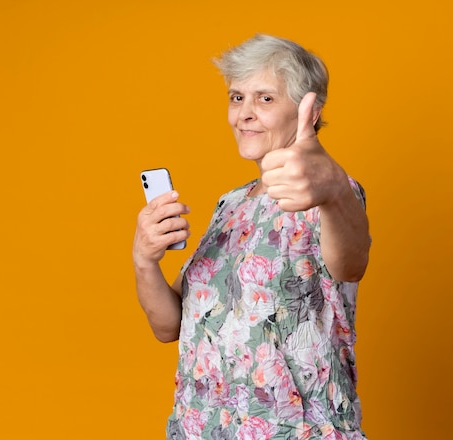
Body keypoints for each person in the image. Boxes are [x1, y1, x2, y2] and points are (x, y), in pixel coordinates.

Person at [133, 34, 371, 440]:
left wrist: (331, 188)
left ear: (307, 112)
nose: (243, 113)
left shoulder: (332, 193)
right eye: (236, 97)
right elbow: (169, 325)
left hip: (295, 431)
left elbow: (351, 263)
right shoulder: (231, 204)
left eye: (264, 98)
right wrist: (144, 259)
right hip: (201, 429)